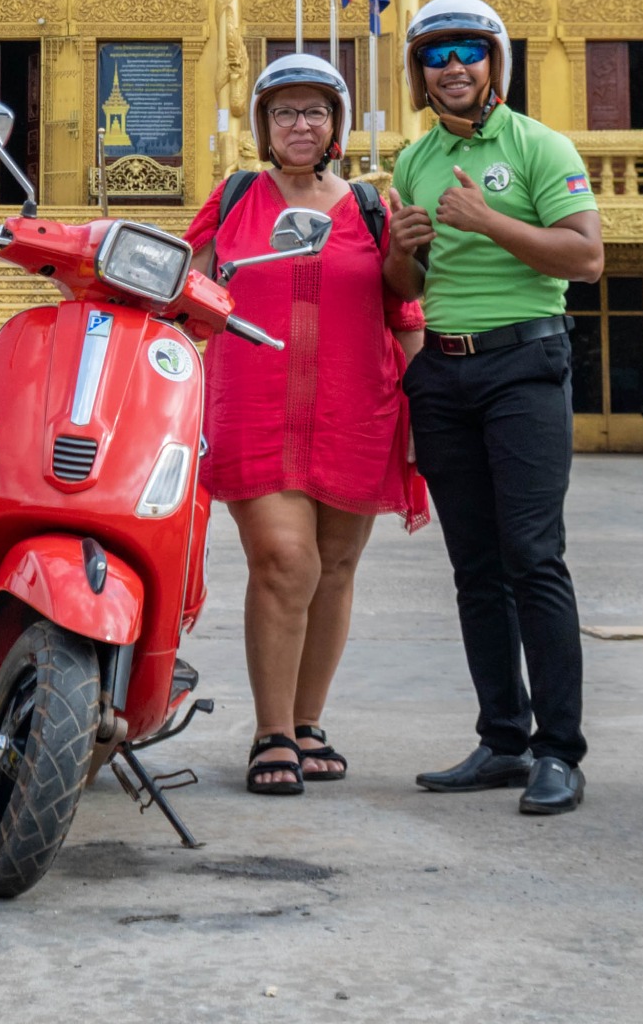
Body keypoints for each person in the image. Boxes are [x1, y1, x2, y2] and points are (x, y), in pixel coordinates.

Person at [186, 53, 430, 798]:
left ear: (336, 126)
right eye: (286, 111)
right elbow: (181, 296)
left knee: (337, 567)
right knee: (285, 562)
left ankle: (308, 719)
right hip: (255, 412)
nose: (301, 124)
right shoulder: (232, 201)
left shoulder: (369, 209)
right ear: (264, 124)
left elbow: (406, 315)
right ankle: (271, 731)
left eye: (315, 111)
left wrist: (421, 416)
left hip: (357, 410)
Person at [385, 0, 603, 817]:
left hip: (525, 364)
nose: (452, 69)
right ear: (420, 74)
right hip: (444, 372)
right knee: (474, 569)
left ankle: (559, 752)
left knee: (533, 557)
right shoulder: (414, 161)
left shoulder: (540, 146)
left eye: (467, 52)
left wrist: (487, 219)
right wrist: (402, 253)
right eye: (436, 56)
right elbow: (407, 288)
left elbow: (586, 258)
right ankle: (504, 739)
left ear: (495, 64)